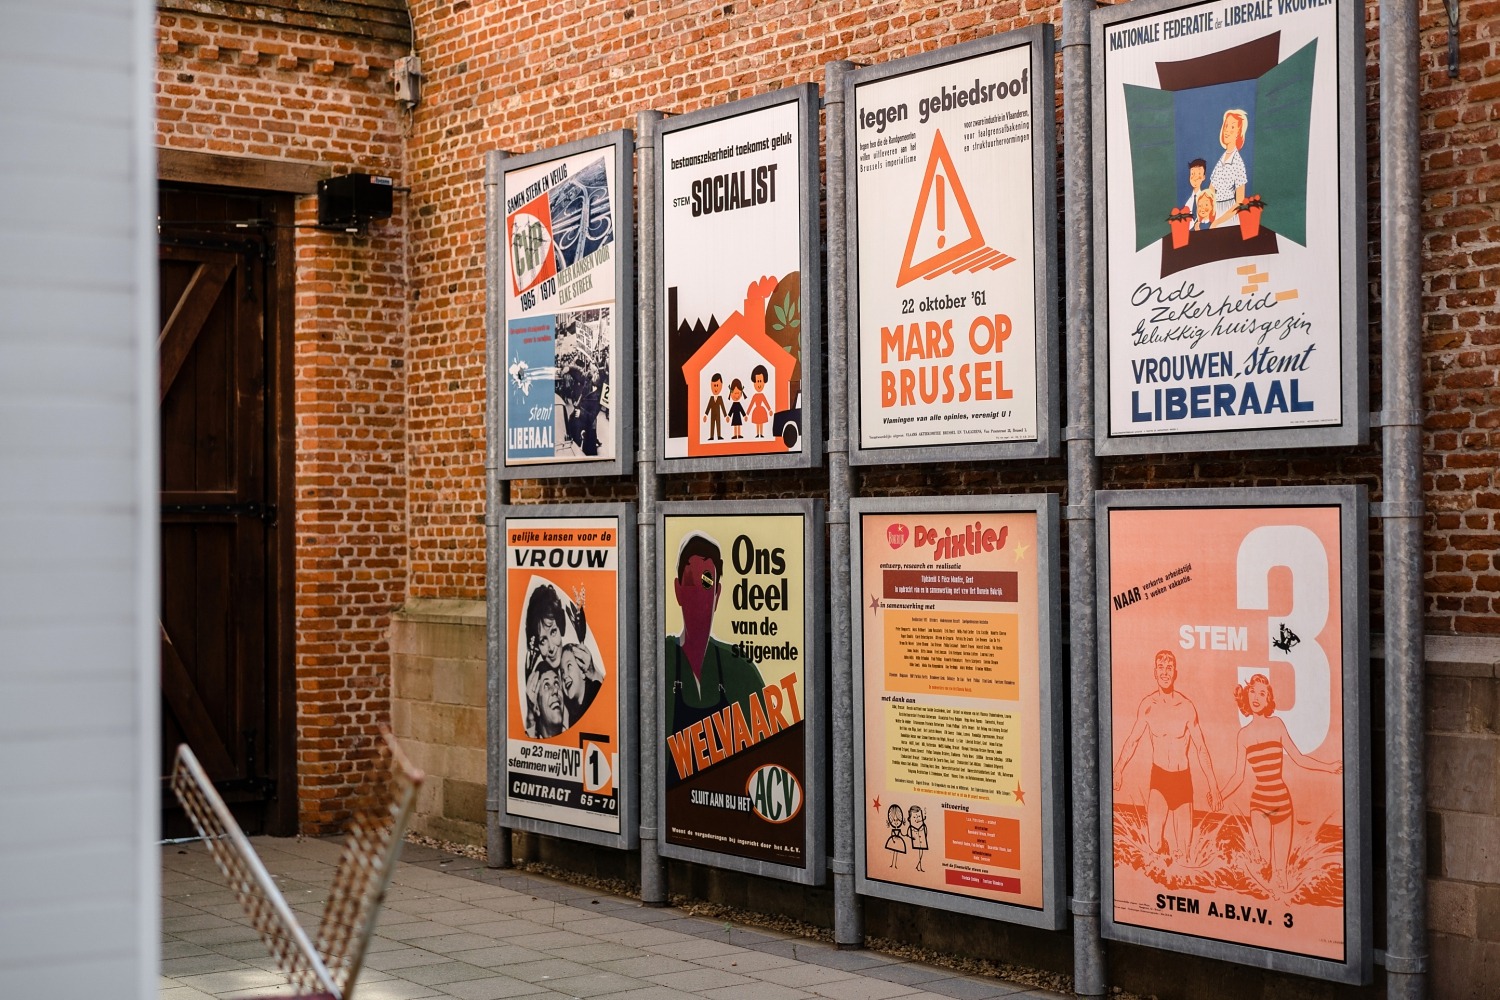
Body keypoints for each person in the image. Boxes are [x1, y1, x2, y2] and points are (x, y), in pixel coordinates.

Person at [1220, 673, 1342, 894]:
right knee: (1265, 861)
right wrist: (1220, 795)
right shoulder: (1243, 735)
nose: (1257, 697)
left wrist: (1330, 766)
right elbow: (1238, 776)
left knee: (1281, 872)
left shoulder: (1277, 725)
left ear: (1268, 700)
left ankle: (1280, 903)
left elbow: (1299, 758)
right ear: (1247, 696)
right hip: (1259, 803)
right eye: (1253, 692)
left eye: (1263, 693)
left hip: (1281, 801)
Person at [664, 532, 766, 776]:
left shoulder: (740, 668)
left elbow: (767, 755)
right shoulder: (661, 659)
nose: (700, 593)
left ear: (717, 593)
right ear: (678, 591)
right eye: (691, 581)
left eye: (707, 583)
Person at [1113, 650, 1221, 865]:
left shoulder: (1187, 707)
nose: (1165, 672)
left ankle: (1177, 856)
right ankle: (1162, 850)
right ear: (1155, 672)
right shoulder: (1148, 706)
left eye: (1169, 668)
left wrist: (1213, 786)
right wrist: (1118, 770)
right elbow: (1132, 740)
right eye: (1161, 668)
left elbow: (1201, 748)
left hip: (1182, 780)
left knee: (1184, 854)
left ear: (1175, 673)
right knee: (1153, 845)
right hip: (1160, 778)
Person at [522, 583, 586, 737]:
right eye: (543, 641)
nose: (551, 648)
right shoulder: (536, 684)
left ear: (561, 627)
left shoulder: (578, 663)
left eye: (553, 632)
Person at [1209, 109, 1249, 228]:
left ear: (1239, 132)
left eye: (1232, 127)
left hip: (1229, 217)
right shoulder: (1222, 159)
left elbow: (1240, 202)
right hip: (1216, 213)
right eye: (1226, 125)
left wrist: (1218, 221)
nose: (1227, 130)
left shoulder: (1237, 162)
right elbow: (1211, 190)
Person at [559, 641, 601, 726]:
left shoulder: (596, 691)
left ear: (582, 671)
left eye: (569, 666)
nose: (564, 676)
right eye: (562, 672)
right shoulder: (573, 717)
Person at [748, 364, 772, 439]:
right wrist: (747, 413)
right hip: (756, 410)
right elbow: (751, 404)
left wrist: (769, 410)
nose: (758, 384)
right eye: (756, 381)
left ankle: (761, 433)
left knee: (761, 422)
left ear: (764, 382)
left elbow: (766, 403)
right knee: (757, 423)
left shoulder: (762, 396)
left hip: (761, 410)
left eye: (760, 381)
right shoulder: (754, 396)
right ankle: (757, 433)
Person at [703, 373, 727, 441]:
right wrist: (705, 415)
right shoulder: (711, 398)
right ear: (711, 385)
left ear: (721, 385)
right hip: (712, 415)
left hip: (718, 415)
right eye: (714, 385)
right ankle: (711, 436)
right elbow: (708, 407)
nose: (715, 388)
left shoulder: (720, 398)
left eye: (717, 385)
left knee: (718, 424)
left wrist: (726, 416)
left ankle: (719, 435)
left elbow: (723, 407)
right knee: (712, 425)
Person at [906, 804, 929, 872]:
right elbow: (908, 834)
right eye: (914, 817)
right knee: (918, 853)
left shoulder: (923, 826)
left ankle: (919, 865)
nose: (917, 819)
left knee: (921, 853)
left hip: (922, 841)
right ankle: (918, 865)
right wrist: (911, 837)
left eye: (919, 816)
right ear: (910, 819)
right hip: (916, 842)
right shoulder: (911, 828)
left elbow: (926, 832)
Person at [885, 803, 907, 868]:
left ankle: (895, 864)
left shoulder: (899, 830)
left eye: (898, 820)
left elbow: (902, 834)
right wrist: (892, 840)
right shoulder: (893, 830)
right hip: (894, 841)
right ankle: (892, 864)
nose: (896, 822)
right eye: (894, 820)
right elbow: (891, 835)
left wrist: (907, 835)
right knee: (894, 852)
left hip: (898, 842)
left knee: (896, 853)